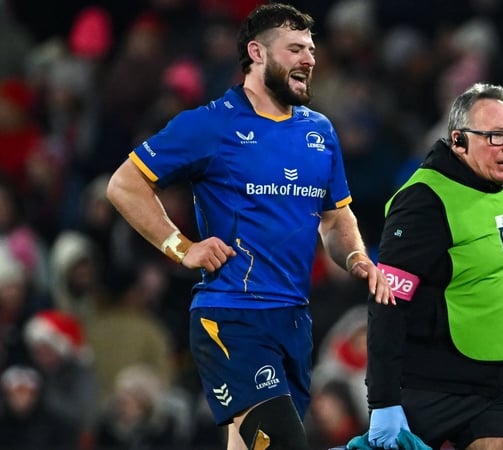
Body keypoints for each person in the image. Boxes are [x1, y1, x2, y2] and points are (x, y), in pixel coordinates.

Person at [105, 4, 394, 450]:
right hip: (232, 316)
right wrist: (182, 247)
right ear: (256, 53)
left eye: (312, 50)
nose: (309, 59)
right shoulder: (212, 124)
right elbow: (124, 184)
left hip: (294, 320)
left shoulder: (320, 131)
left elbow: (336, 217)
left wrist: (355, 256)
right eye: (295, 48)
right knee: (282, 442)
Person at [362, 83, 503, 450]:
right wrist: (382, 401)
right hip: (436, 385)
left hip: (500, 386)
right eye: (495, 136)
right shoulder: (423, 202)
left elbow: (482, 258)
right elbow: (386, 301)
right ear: (458, 140)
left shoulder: (502, 186)